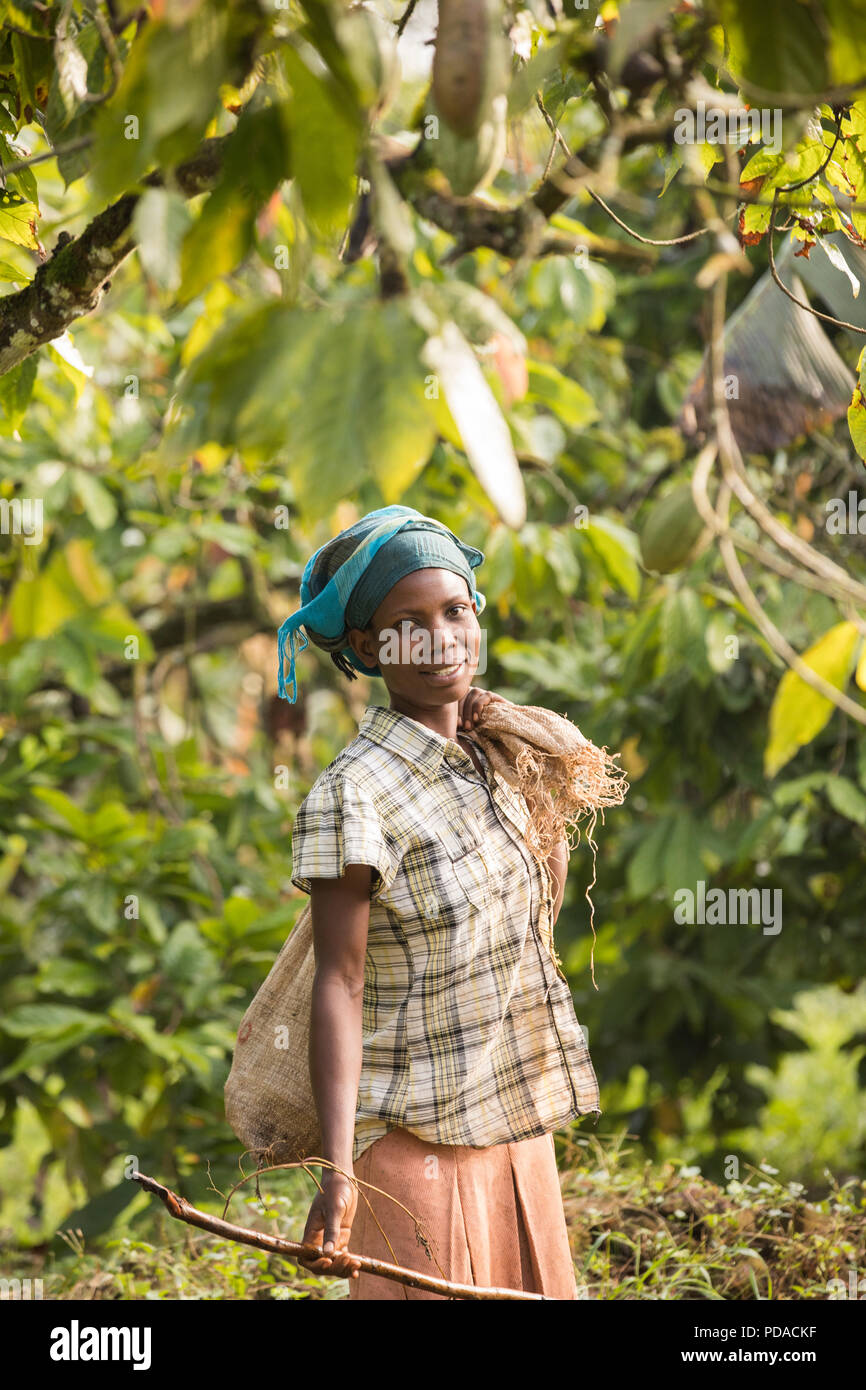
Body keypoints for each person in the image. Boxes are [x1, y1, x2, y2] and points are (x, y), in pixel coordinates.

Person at [277, 505, 601, 1299]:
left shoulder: (497, 758)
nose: (440, 637)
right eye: (408, 622)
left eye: (455, 611)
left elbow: (532, 924)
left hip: (511, 1127)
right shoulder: (355, 794)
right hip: (412, 1148)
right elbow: (340, 984)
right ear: (367, 647)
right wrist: (339, 1171)